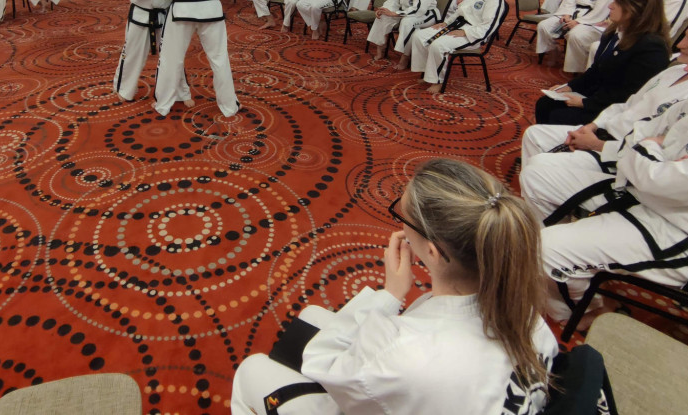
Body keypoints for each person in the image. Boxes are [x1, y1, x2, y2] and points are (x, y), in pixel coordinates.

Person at [230, 158, 556, 415]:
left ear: (433, 252)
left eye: (404, 214)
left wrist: (390, 294)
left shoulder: (401, 352)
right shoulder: (525, 312)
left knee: (251, 370)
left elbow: (321, 361)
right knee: (313, 315)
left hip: (393, 380)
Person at [524, 27, 688, 324]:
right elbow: (642, 133)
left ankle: (589, 313)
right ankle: (577, 265)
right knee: (540, 175)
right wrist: (653, 152)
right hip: (647, 196)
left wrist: (649, 151)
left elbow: (662, 182)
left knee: (543, 250)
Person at [520, 13, 688, 163]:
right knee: (535, 135)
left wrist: (599, 145)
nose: (680, 44)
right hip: (610, 132)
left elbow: (659, 145)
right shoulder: (674, 71)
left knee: (542, 168)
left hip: (625, 153)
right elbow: (629, 104)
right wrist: (593, 126)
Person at [535, 0, 670, 126]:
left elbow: (630, 93)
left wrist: (586, 103)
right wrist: (571, 86)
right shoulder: (614, 32)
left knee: (559, 116)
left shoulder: (651, 46)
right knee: (545, 103)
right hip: (601, 95)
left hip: (617, 109)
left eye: (617, 3)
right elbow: (596, 70)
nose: (610, 6)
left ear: (634, 10)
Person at [407, 0, 506, 90]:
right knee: (419, 36)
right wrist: (445, 23)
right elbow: (460, 11)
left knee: (438, 44)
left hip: (473, 34)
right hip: (456, 25)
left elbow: (489, 26)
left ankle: (438, 81)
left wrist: (466, 32)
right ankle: (428, 74)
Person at [535, 0, 614, 73]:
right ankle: (553, 49)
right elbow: (569, 0)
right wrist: (566, 14)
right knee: (544, 25)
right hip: (572, 13)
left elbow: (600, 10)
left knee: (575, 35)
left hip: (590, 20)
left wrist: (578, 22)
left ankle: (579, 68)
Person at [366, 0, 435, 63]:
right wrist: (383, 9)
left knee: (407, 22)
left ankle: (405, 57)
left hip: (426, 15)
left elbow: (419, 8)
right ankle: (381, 48)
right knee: (383, 16)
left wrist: (396, 13)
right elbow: (393, 1)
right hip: (408, 12)